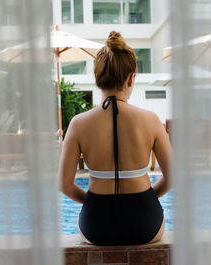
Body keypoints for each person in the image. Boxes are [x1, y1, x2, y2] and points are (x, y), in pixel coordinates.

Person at [59, 31, 171, 246]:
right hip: (144, 221)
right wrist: (146, 198)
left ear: (97, 78)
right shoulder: (151, 120)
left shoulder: (78, 123)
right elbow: (173, 176)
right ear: (131, 78)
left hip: (96, 223)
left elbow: (64, 185)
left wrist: (93, 202)